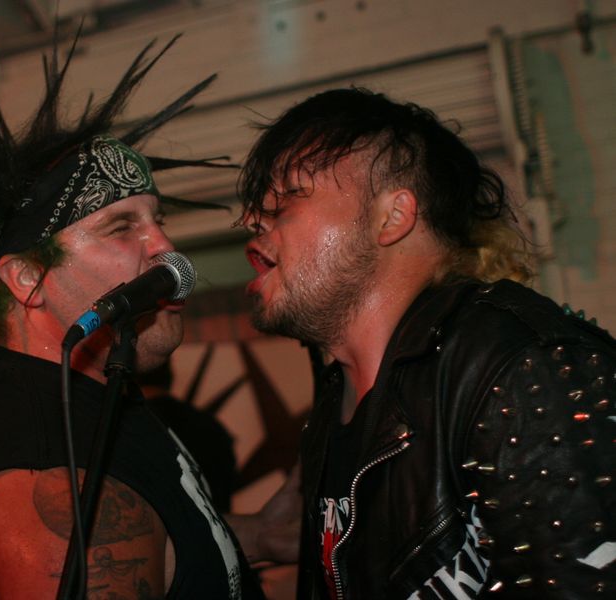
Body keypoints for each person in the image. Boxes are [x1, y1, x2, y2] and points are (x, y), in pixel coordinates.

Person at [0, 26, 297, 600]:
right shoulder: (45, 494)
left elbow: (151, 538)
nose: (166, 249)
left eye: (158, 221)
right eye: (121, 228)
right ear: (28, 278)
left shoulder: (89, 390)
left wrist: (257, 536)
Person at [238, 87, 615, 599]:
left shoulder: (522, 365)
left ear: (393, 218)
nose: (253, 219)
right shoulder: (333, 405)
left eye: (285, 199)